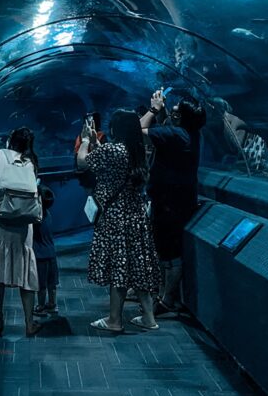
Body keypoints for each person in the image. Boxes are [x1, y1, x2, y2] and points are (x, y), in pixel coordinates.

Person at [77, 109, 161, 332]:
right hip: (136, 215)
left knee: (119, 267)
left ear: (115, 128)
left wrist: (86, 140)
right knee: (139, 265)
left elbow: (83, 163)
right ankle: (149, 318)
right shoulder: (139, 150)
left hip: (115, 216)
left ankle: (114, 320)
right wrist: (97, 142)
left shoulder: (113, 149)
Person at [140, 90, 207, 314]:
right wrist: (166, 115)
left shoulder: (176, 135)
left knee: (169, 253)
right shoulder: (191, 134)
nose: (172, 112)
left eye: (175, 111)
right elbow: (167, 128)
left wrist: (154, 109)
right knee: (167, 250)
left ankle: (167, 299)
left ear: (180, 119)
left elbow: (137, 131)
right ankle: (164, 294)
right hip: (178, 201)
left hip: (169, 204)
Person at [0, 127, 40, 337]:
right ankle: (29, 323)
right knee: (25, 269)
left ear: (9, 140)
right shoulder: (30, 161)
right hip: (22, 221)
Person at [33, 185, 59, 317]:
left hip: (40, 256)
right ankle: (52, 304)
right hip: (51, 253)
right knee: (52, 283)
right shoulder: (49, 214)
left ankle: (40, 306)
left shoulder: (36, 218)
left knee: (41, 284)